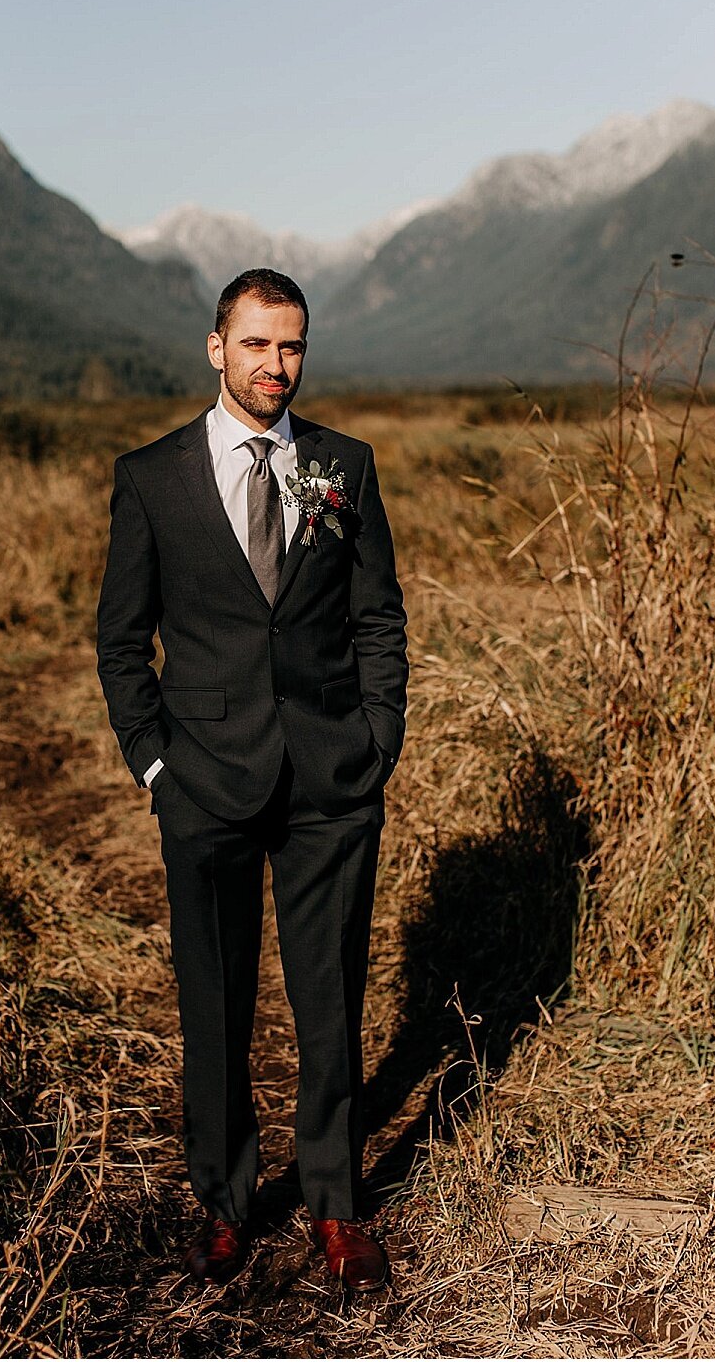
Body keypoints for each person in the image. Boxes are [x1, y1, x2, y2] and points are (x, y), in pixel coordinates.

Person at [94, 267, 407, 1294]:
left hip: (328, 780)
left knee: (327, 1004)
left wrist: (376, 739)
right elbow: (118, 642)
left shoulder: (341, 467)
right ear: (214, 348)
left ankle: (333, 1206)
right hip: (203, 785)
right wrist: (153, 765)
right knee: (214, 1007)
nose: (278, 366)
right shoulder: (150, 477)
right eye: (259, 344)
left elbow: (374, 620)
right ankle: (224, 1210)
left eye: (293, 347)